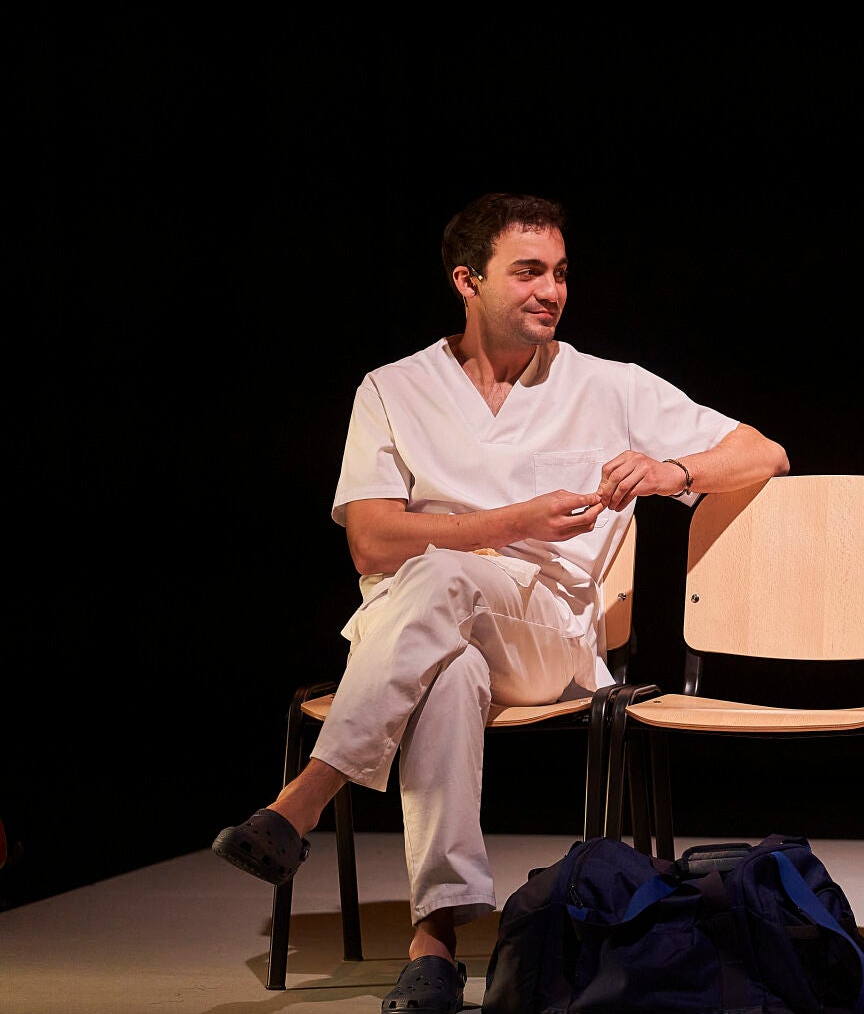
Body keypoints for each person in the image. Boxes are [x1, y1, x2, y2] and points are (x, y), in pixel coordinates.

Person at [212, 193, 790, 1014]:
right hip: (415, 634)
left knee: (439, 573)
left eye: (560, 272)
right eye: (527, 272)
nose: (550, 290)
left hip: (546, 634)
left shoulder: (606, 384)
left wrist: (673, 472)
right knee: (447, 670)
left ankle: (304, 797)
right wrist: (510, 522)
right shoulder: (393, 388)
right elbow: (371, 542)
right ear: (467, 281)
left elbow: (763, 452)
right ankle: (434, 946)